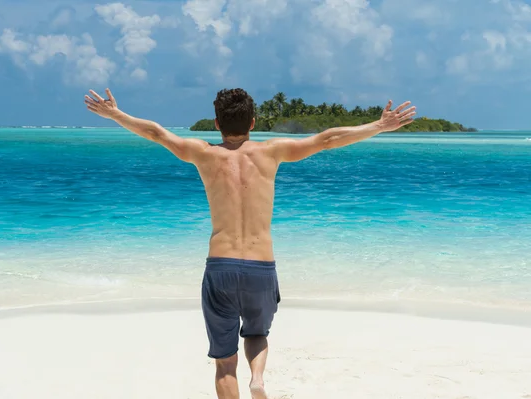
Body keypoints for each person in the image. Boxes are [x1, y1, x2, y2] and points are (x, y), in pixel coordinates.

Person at [85, 88, 416, 399]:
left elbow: (156, 133)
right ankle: (257, 378)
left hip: (221, 265)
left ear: (217, 124)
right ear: (253, 122)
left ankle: (244, 381)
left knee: (225, 363)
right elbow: (327, 139)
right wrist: (379, 125)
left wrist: (116, 114)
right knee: (257, 335)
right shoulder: (272, 151)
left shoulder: (203, 154)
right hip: (261, 265)